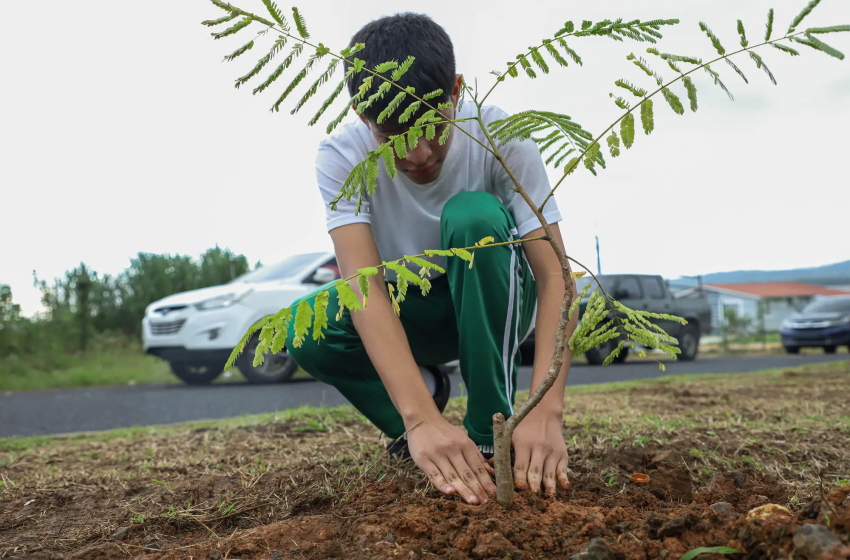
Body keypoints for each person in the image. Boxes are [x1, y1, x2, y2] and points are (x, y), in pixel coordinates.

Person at [285, 12, 578, 505]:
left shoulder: (500, 135)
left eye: (432, 127)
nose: (419, 154)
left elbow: (555, 278)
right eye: (392, 137)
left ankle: (490, 432)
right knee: (304, 328)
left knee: (474, 218)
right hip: (412, 308)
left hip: (497, 294)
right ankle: (424, 412)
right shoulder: (341, 156)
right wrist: (420, 418)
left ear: (457, 90)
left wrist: (546, 410)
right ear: (361, 115)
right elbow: (364, 287)